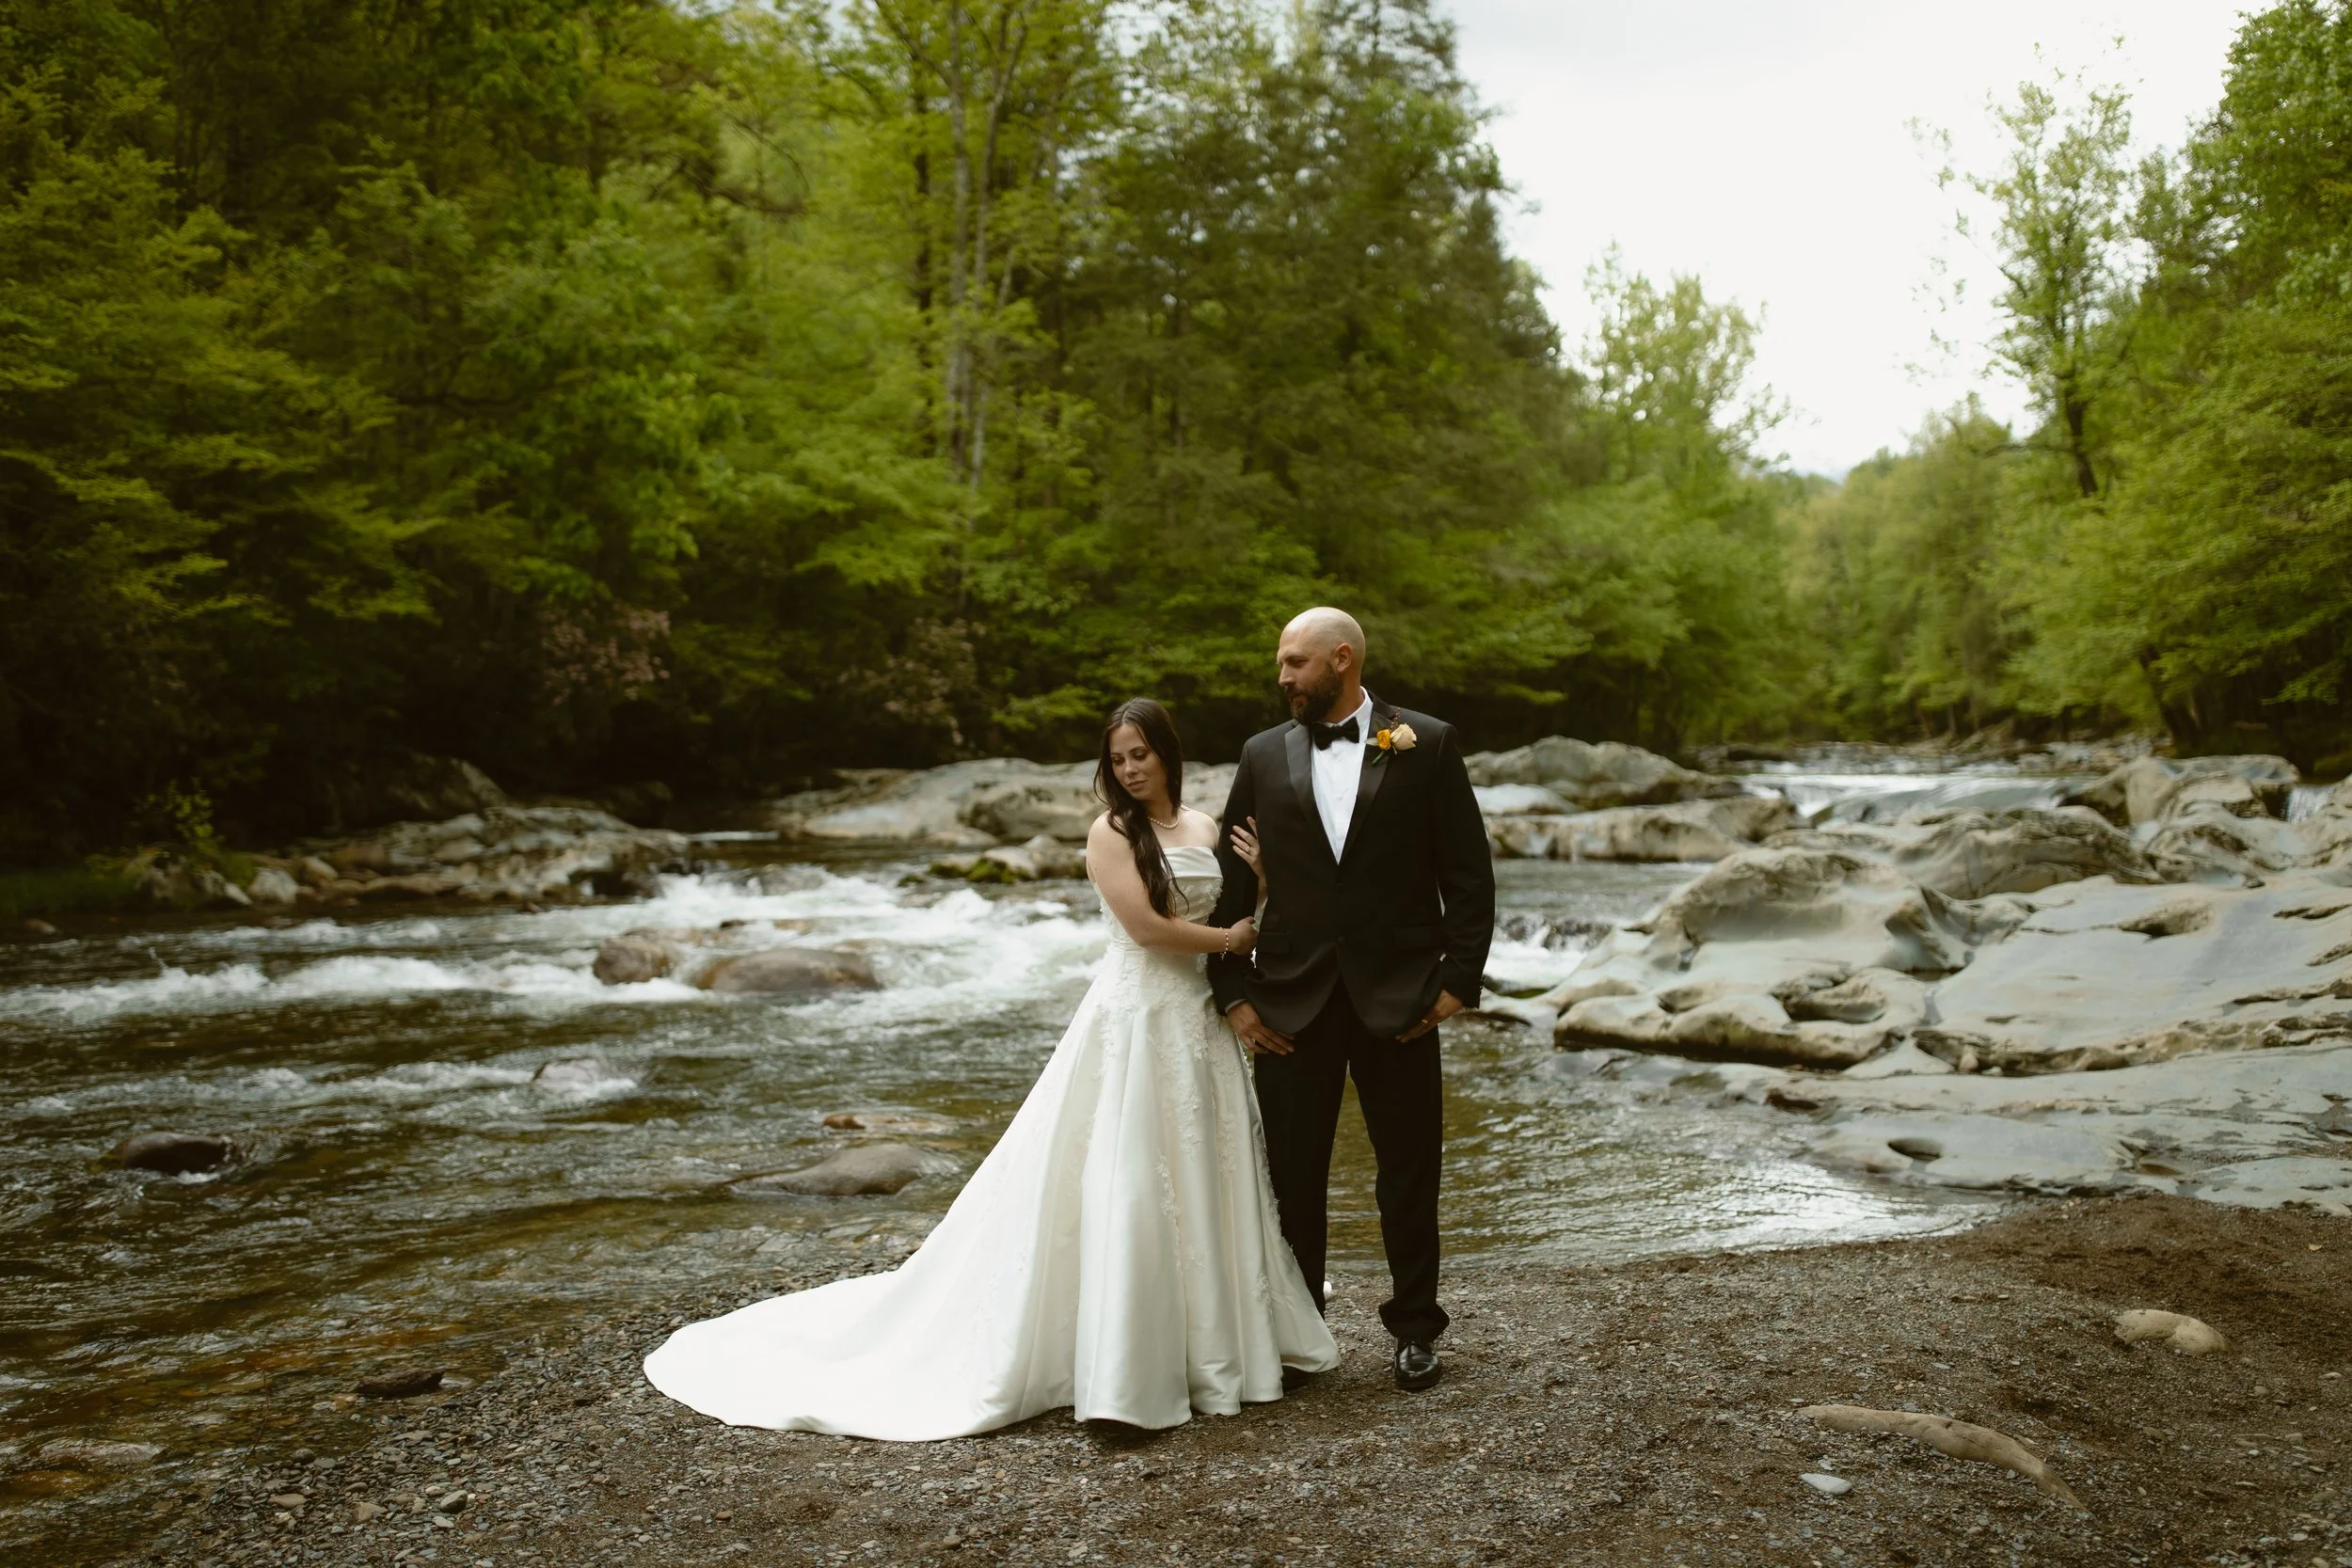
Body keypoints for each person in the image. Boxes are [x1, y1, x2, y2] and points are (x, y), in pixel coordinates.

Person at [642, 698, 1337, 1438]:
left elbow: (1237, 914)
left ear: (1169, 752)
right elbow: (1147, 928)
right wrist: (1232, 941)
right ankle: (1128, 1363)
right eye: (1119, 758)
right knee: (1131, 1178)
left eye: (1142, 754)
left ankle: (1218, 1349)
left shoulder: (1204, 827)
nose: (1131, 769)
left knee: (1210, 1174)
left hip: (1198, 1024)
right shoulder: (1109, 833)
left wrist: (1258, 888)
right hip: (1135, 1019)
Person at [1207, 608, 1495, 1392]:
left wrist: (1455, 986)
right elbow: (1232, 888)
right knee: (1292, 1174)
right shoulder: (1262, 754)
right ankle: (1302, 1335)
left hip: (1401, 1001)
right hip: (1289, 1001)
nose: (1283, 676)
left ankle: (1415, 1329)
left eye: (1296, 662)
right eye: (1280, 662)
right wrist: (1233, 995)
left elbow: (1468, 876)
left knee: (1409, 1169)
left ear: (1342, 659)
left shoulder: (1426, 743)